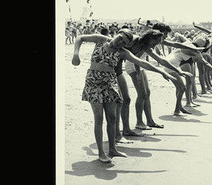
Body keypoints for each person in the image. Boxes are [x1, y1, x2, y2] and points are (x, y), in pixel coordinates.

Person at [71, 29, 176, 163]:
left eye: (123, 42)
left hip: (110, 83)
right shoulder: (101, 39)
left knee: (112, 117)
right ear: (117, 34)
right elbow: (80, 37)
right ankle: (101, 153)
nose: (119, 42)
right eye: (120, 38)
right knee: (99, 118)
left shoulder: (122, 52)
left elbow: (142, 63)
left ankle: (112, 149)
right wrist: (76, 54)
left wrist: (162, 72)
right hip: (93, 84)